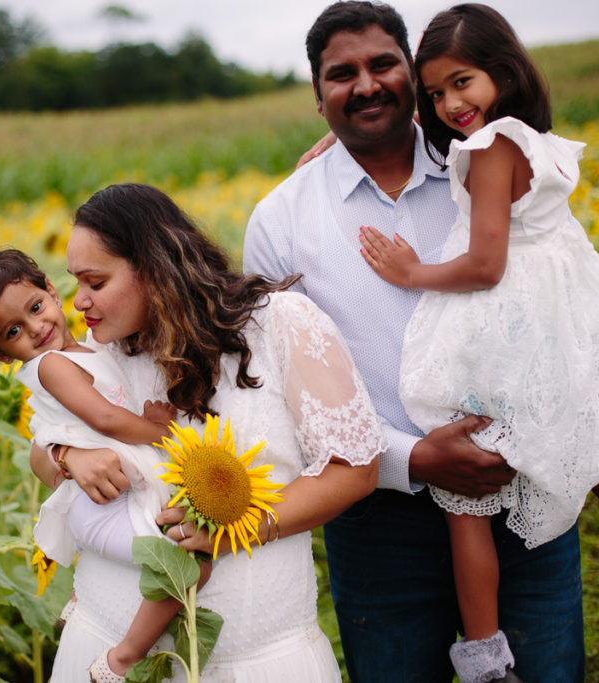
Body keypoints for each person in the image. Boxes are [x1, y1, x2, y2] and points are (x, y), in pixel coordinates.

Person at [244, 2, 586, 681]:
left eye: (382, 65)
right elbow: (284, 388)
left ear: (413, 73)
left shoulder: (487, 166)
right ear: (318, 97)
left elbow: (558, 293)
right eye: (341, 75)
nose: (366, 85)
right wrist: (415, 457)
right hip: (377, 520)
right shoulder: (281, 218)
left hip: (521, 490)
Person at [352, 3, 599, 680]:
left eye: (462, 83)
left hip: (503, 331)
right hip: (558, 322)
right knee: (584, 443)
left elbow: (485, 264)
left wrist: (413, 271)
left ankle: (486, 658)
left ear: (502, 70)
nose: (449, 105)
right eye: (435, 93)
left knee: (466, 497)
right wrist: (339, 142)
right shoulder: (535, 138)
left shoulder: (488, 149)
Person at [37, 182, 385, 681]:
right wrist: (68, 456)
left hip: (254, 660)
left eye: (95, 282)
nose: (79, 303)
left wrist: (232, 528)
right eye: (76, 283)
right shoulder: (101, 346)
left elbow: (353, 469)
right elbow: (40, 448)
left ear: (154, 267)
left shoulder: (278, 324)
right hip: (100, 647)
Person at [0, 248, 212, 682]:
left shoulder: (87, 350)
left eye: (36, 307)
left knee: (171, 555)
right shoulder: (52, 365)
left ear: (51, 291)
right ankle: (122, 659)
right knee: (187, 565)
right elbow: (104, 418)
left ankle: (87, 601)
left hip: (109, 493)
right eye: (14, 330)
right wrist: (162, 432)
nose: (36, 327)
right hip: (102, 500)